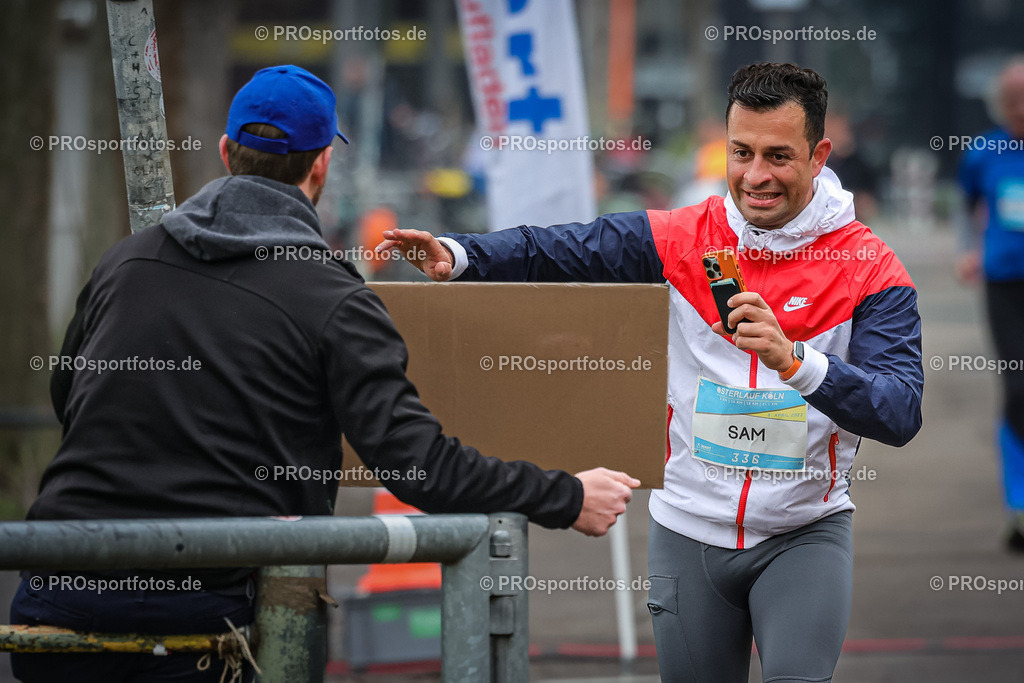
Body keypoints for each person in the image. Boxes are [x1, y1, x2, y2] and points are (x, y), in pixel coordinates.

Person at [10, 65, 638, 682]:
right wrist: (568, 496)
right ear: (320, 166)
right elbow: (418, 466)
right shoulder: (334, 299)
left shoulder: (124, 263)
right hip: (206, 620)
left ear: (227, 152)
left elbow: (71, 396)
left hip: (58, 592)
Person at [380, 62, 924, 682]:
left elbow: (900, 410)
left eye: (778, 156)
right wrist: (461, 255)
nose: (755, 176)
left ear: (819, 153)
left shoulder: (869, 267)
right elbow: (564, 249)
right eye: (741, 152)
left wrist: (798, 363)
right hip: (687, 532)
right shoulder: (683, 237)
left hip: (804, 534)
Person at [955, 56, 1024, 551]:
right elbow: (966, 205)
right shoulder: (984, 153)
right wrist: (968, 251)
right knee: (1018, 392)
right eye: (1011, 101)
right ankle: (1019, 508)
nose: (1019, 109)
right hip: (1005, 287)